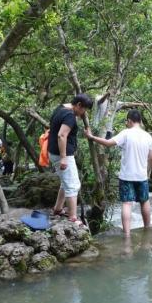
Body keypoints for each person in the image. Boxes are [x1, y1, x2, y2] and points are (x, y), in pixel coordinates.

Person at [85, 109, 152, 236]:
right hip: (142, 176)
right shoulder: (148, 136)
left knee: (127, 203)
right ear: (140, 121)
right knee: (144, 201)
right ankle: (147, 229)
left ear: (129, 120)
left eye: (126, 122)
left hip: (127, 175)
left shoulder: (126, 133)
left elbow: (108, 143)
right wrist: (147, 172)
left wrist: (92, 137)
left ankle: (127, 235)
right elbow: (151, 158)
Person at [48, 94, 94, 226]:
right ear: (78, 105)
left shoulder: (60, 108)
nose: (83, 114)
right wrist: (63, 158)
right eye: (83, 110)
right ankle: (73, 218)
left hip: (54, 152)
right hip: (63, 155)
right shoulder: (69, 115)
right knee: (73, 185)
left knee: (65, 182)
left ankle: (57, 209)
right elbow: (62, 135)